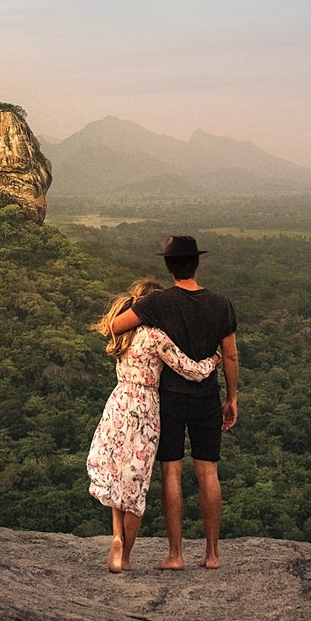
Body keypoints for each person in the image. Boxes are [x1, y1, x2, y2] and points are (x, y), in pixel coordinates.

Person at [108, 236, 238, 570]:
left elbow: (114, 326)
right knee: (208, 472)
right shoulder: (221, 303)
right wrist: (232, 397)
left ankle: (176, 555)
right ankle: (211, 554)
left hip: (169, 399)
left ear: (168, 267)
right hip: (207, 396)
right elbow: (231, 355)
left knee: (172, 473)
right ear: (196, 263)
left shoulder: (159, 303)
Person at [87, 278, 221, 574]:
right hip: (144, 409)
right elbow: (191, 370)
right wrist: (215, 359)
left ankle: (117, 537)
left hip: (118, 404)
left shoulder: (123, 334)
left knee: (118, 478)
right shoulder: (156, 337)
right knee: (136, 483)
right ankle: (126, 556)